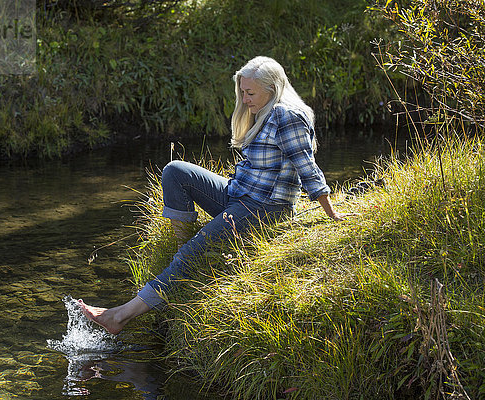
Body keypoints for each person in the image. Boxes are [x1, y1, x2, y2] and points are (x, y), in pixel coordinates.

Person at [78, 56, 355, 334]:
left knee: (192, 254)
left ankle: (120, 317)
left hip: (263, 208)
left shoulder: (287, 116)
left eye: (250, 93)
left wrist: (330, 210)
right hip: (237, 194)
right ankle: (181, 256)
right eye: (242, 92)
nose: (244, 99)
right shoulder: (265, 110)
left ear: (272, 89)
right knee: (176, 171)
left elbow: (306, 166)